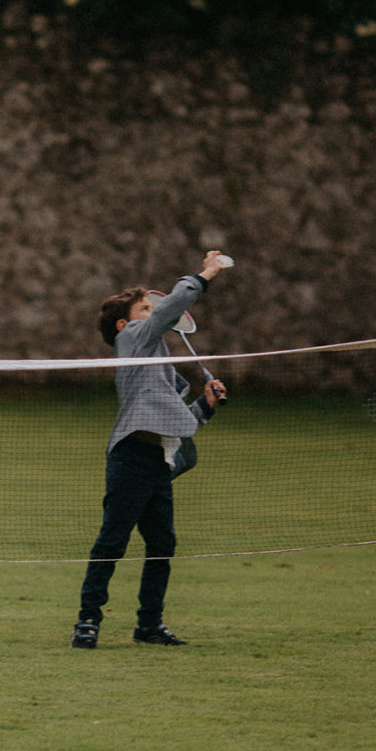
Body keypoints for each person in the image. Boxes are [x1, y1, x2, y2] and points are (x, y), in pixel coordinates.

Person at [72, 250, 229, 649]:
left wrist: (205, 406)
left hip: (158, 463)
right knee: (112, 542)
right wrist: (205, 274)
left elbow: (175, 421)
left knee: (162, 545)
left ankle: (149, 625)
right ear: (125, 324)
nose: (154, 311)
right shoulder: (132, 339)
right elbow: (170, 310)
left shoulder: (161, 368)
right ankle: (88, 621)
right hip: (130, 460)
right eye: (146, 308)